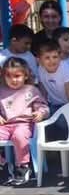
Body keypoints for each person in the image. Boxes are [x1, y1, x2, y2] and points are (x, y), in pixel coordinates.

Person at [0, 58, 48, 186]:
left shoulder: (31, 90)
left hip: (24, 123)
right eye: (9, 76)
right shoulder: (1, 90)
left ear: (25, 75)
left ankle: (22, 166)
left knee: (19, 136)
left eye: (17, 76)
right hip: (5, 125)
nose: (13, 80)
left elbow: (42, 106)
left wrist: (40, 113)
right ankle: (3, 165)